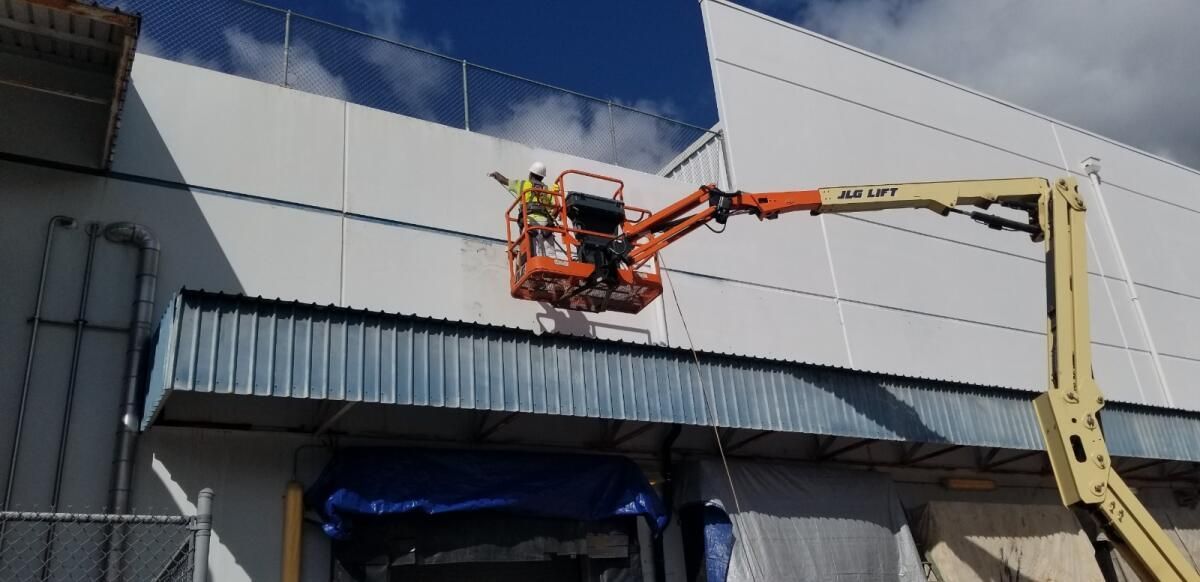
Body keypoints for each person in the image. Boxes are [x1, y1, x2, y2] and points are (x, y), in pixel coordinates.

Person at [489, 162, 561, 262]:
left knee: (529, 251)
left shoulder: (523, 184)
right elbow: (556, 209)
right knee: (550, 253)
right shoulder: (547, 189)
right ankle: (553, 267)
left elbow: (504, 180)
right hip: (546, 225)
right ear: (542, 178)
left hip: (529, 222)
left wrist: (495, 174)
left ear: (530, 174)